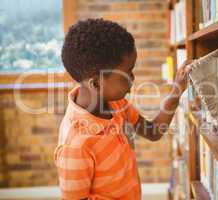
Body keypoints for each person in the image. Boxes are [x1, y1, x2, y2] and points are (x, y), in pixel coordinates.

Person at [54, 18, 191, 200]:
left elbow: (154, 132)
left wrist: (177, 91)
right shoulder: (75, 144)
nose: (133, 79)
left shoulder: (117, 105)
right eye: (127, 73)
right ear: (96, 83)